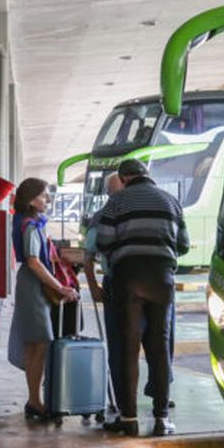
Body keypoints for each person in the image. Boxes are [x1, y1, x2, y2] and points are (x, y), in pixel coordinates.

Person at [95, 158, 189, 437]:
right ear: (147, 175)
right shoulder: (172, 202)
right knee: (159, 349)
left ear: (123, 179)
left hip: (129, 279)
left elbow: (103, 241)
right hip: (162, 280)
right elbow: (182, 244)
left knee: (129, 348)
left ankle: (129, 418)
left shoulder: (117, 202)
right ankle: (161, 419)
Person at [7, 178, 79, 421]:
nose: (47, 200)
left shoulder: (27, 222)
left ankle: (35, 399)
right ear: (30, 199)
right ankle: (35, 399)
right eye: (43, 195)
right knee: (40, 341)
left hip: (31, 284)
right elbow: (34, 261)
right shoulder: (30, 225)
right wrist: (60, 287)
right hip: (32, 285)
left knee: (36, 343)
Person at [84, 172, 125, 413]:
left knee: (120, 343)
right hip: (123, 284)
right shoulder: (100, 218)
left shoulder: (101, 217)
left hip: (117, 284)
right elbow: (88, 258)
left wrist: (94, 288)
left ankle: (122, 395)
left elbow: (88, 258)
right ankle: (158, 395)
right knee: (156, 341)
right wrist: (93, 287)